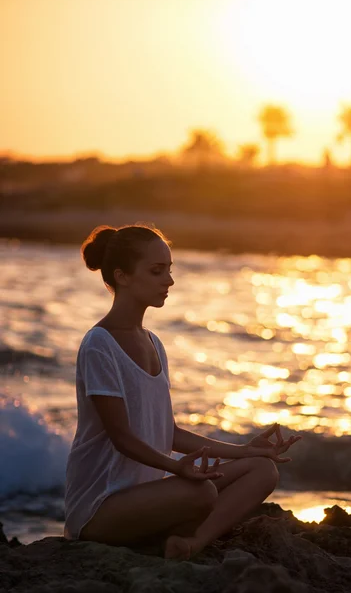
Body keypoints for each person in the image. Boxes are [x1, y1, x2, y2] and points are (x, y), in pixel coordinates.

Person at [64, 223, 302, 560]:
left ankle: (189, 544)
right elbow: (122, 438)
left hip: (147, 497)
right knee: (200, 492)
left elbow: (169, 432)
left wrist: (246, 451)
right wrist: (177, 469)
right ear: (123, 276)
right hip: (98, 509)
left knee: (262, 470)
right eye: (157, 271)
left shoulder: (154, 344)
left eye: (169, 271)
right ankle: (173, 531)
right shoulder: (99, 344)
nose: (169, 281)